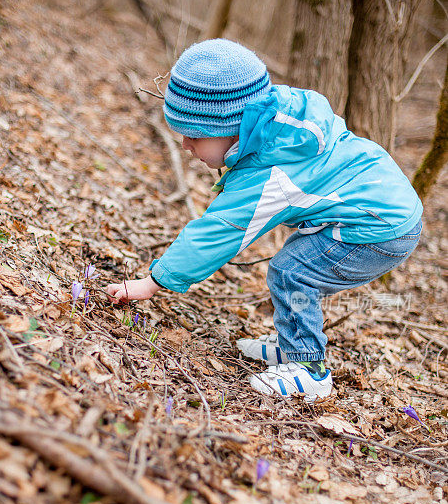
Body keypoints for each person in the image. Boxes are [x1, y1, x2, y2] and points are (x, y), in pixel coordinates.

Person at [106, 39, 422, 401]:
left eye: (194, 136)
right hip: (380, 213)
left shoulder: (272, 170)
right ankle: (293, 343)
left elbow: (218, 232)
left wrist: (153, 283)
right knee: (297, 261)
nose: (185, 146)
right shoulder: (276, 121)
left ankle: (309, 369)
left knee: (293, 271)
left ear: (234, 128)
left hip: (378, 229)